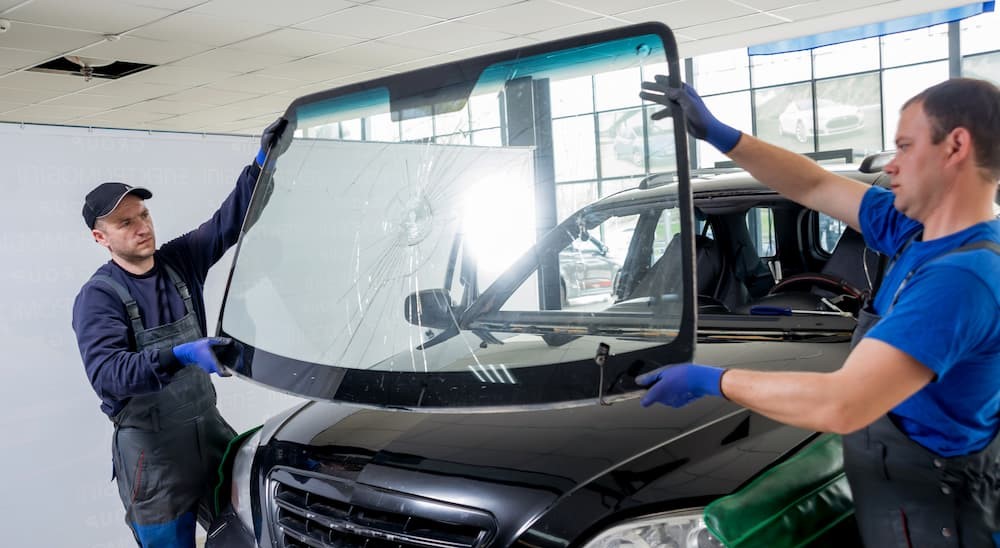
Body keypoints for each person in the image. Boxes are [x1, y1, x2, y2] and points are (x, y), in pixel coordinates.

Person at [637, 77, 1000, 546]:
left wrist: (712, 380)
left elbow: (842, 403)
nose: (893, 165)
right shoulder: (915, 232)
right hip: (902, 505)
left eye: (906, 146)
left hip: (939, 522)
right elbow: (812, 184)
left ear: (955, 146)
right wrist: (720, 134)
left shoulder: (960, 279)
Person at [72, 118, 288, 547]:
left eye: (144, 214)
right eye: (124, 222)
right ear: (101, 237)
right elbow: (110, 374)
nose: (141, 226)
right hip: (153, 461)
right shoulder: (99, 297)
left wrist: (263, 162)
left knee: (256, 532)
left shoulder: (180, 261)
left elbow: (228, 222)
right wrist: (181, 355)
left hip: (208, 437)